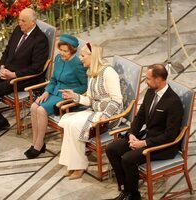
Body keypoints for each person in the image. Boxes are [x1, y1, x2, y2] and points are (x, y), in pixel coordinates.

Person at [106, 64, 183, 200]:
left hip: (163, 146)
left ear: (158, 79)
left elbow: (170, 136)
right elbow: (140, 117)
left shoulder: (173, 102)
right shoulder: (150, 92)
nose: (145, 82)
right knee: (111, 148)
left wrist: (144, 143)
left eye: (147, 78)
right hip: (145, 137)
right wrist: (132, 135)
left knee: (127, 158)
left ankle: (133, 195)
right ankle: (126, 189)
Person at [58, 43, 123, 180]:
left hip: (110, 115)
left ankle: (80, 165)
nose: (80, 58)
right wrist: (74, 96)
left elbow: (117, 100)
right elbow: (91, 100)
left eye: (83, 55)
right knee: (67, 121)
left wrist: (103, 117)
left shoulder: (109, 72)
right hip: (96, 110)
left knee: (75, 125)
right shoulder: (92, 73)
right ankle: (72, 164)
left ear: (92, 56)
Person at [24, 34, 88, 159]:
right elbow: (53, 79)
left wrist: (71, 92)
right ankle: (37, 142)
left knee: (41, 110)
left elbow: (84, 86)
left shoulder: (77, 64)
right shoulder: (58, 58)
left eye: (66, 51)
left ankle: (38, 145)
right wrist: (46, 91)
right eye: (61, 50)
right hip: (53, 92)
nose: (62, 53)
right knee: (33, 107)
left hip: (66, 96)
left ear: (72, 50)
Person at [0, 8, 49, 133]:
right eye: (19, 19)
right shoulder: (18, 30)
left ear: (32, 22)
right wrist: (2, 67)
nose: (19, 23)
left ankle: (0, 123)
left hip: (24, 78)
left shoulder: (40, 40)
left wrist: (13, 74)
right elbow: (7, 51)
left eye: (23, 21)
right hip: (7, 71)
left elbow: (37, 68)